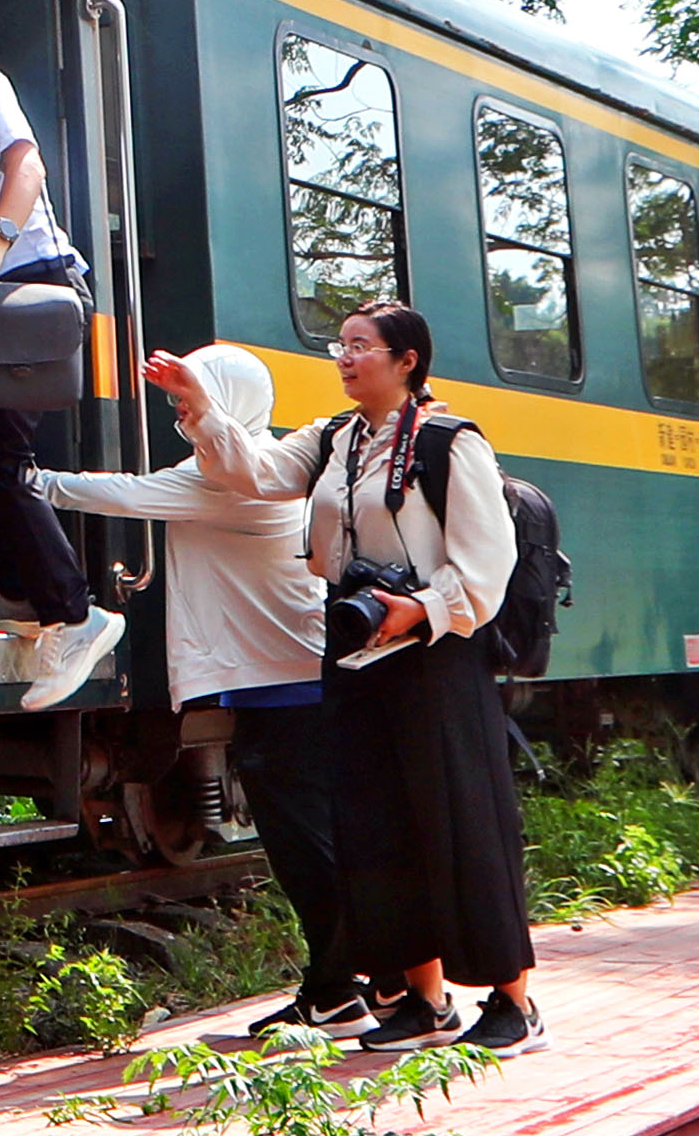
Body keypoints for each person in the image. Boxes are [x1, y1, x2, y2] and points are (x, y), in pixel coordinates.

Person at [166, 300, 542, 1056]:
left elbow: (484, 563)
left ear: (407, 360)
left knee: (461, 821)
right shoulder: (335, 440)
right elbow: (255, 473)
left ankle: (513, 1001)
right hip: (357, 654)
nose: (345, 357)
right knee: (377, 828)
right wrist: (199, 406)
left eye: (361, 346)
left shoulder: (448, 441)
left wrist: (420, 608)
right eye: (340, 345)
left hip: (437, 652)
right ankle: (426, 1002)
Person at [34, 342, 355, 1031]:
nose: (181, 413)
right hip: (287, 683)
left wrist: (29, 484)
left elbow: (114, 494)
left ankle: (343, 989)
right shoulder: (237, 469)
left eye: (193, 402)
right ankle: (346, 985)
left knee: (307, 848)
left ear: (228, 404)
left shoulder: (231, 481)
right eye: (181, 402)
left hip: (288, 687)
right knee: (310, 843)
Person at [0, 63, 111, 706]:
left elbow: (28, 165)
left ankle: (76, 613)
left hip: (31, 279)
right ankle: (15, 590)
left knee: (0, 456)